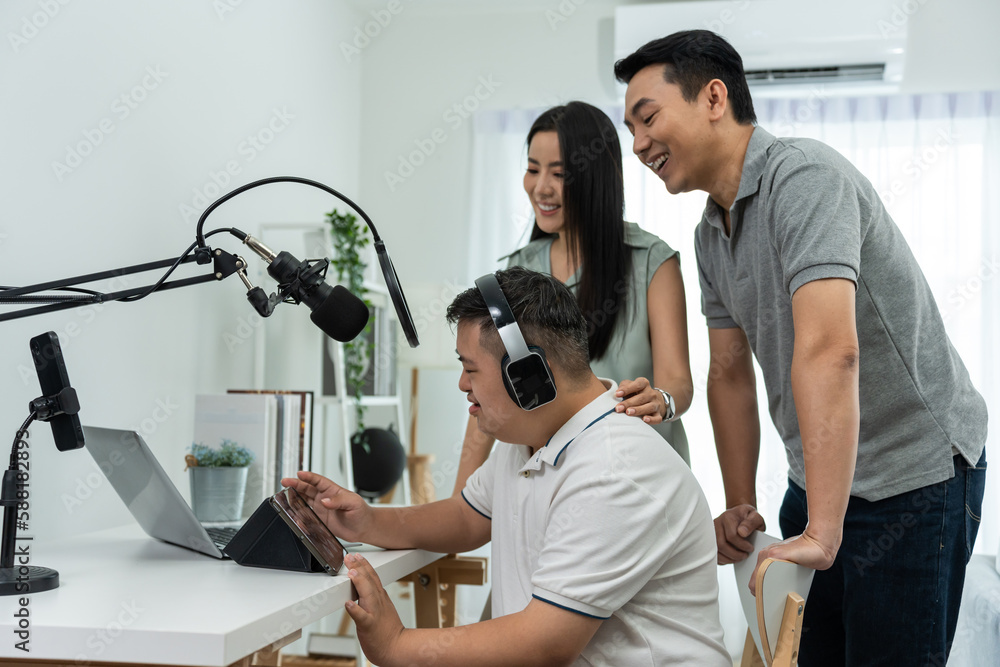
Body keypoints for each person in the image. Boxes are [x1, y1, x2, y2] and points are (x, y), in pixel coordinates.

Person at [613, 29, 988, 665]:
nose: (639, 142)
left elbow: (830, 352)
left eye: (648, 117)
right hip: (814, 480)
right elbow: (729, 373)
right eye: (630, 128)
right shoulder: (710, 233)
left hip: (912, 476)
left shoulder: (805, 179)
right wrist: (740, 503)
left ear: (713, 97)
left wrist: (823, 530)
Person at [284, 267, 729, 667]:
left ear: (528, 375)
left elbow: (546, 644)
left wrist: (398, 645)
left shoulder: (614, 469)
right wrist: (366, 520)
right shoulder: (532, 440)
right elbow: (465, 517)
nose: (462, 384)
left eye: (470, 369)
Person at [452, 101, 693, 498]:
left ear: (595, 177)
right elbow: (487, 391)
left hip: (636, 482)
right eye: (532, 169)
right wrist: (457, 505)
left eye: (559, 173)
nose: (540, 187)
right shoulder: (520, 268)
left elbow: (678, 383)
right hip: (545, 485)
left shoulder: (651, 261)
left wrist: (661, 400)